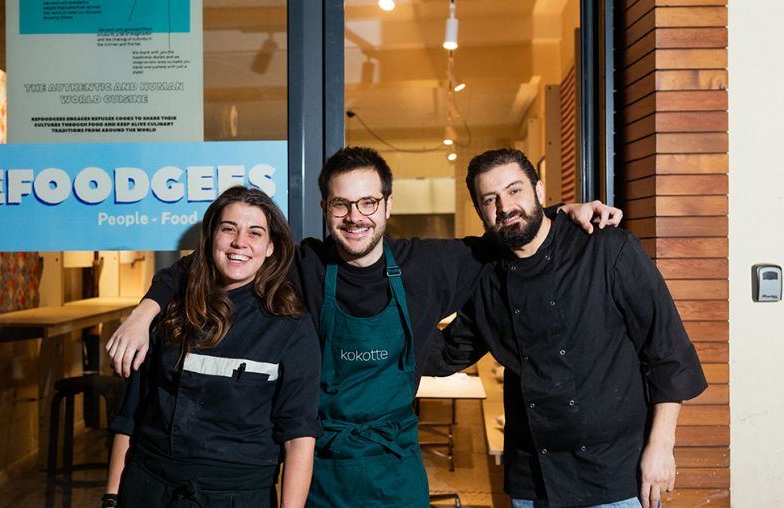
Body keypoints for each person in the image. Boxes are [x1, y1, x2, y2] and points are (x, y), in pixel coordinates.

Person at [106, 146, 623, 507]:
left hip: (393, 468)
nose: (356, 217)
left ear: (388, 205)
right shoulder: (303, 263)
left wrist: (563, 212)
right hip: (320, 467)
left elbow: (512, 228)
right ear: (325, 209)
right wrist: (146, 310)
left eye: (368, 202)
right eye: (341, 204)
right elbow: (215, 262)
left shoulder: (430, 264)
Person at [431, 148, 708, 508]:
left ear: (540, 192)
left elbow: (666, 351)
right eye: (490, 199)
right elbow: (452, 351)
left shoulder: (608, 249)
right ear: (480, 211)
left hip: (615, 474)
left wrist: (661, 446)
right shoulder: (487, 278)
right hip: (533, 476)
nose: (505, 206)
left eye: (515, 190)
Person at [102, 186, 321, 508]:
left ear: (271, 246)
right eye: (228, 229)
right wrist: (111, 498)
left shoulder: (290, 326)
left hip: (237, 495)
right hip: (149, 486)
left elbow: (299, 437)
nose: (239, 243)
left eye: (255, 233)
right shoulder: (171, 310)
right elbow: (130, 416)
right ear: (211, 237)